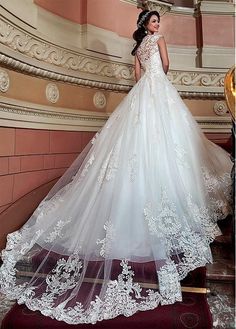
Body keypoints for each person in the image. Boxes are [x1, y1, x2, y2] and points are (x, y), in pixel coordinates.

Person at [0, 10, 232, 325]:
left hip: (142, 95)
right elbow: (165, 66)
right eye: (153, 22)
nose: (157, 25)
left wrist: (146, 81)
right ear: (147, 26)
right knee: (169, 139)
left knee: (137, 141)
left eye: (157, 22)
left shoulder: (137, 49)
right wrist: (159, 77)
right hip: (159, 92)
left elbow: (138, 76)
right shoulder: (159, 41)